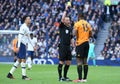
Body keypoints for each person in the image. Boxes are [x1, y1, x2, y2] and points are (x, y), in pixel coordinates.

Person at [7, 15, 32, 80]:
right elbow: (20, 36)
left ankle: (10, 74)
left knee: (19, 60)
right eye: (28, 19)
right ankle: (24, 76)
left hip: (22, 44)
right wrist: (18, 46)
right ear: (25, 20)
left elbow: (28, 38)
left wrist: (32, 46)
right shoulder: (23, 27)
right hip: (21, 44)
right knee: (23, 59)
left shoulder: (27, 27)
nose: (30, 20)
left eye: (30, 19)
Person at [73, 13, 92, 83]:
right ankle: (85, 78)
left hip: (80, 43)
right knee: (85, 61)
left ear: (78, 17)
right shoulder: (88, 24)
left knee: (79, 61)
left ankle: (80, 79)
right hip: (87, 43)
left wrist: (74, 32)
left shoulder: (77, 24)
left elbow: (74, 33)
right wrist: (86, 37)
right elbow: (91, 34)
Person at [58, 5, 75, 82]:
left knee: (68, 62)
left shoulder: (70, 28)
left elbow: (71, 38)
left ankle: (65, 76)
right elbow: (62, 18)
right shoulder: (62, 27)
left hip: (68, 47)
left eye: (69, 20)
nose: (68, 21)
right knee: (61, 61)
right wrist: (66, 9)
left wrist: (73, 46)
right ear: (64, 21)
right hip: (62, 46)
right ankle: (60, 77)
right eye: (67, 20)